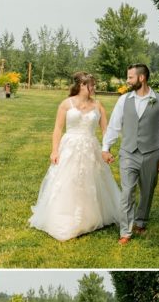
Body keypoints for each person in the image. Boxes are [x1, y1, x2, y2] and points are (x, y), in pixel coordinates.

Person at [29, 72, 121, 241]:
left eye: (94, 85)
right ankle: (64, 215)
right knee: (67, 180)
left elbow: (106, 131)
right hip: (69, 146)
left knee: (90, 180)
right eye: (91, 85)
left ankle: (89, 216)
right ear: (81, 85)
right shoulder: (66, 104)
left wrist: (106, 150)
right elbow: (57, 129)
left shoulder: (98, 106)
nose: (94, 88)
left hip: (90, 146)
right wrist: (55, 151)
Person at [102, 63, 159, 244]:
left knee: (147, 191)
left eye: (130, 77)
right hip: (128, 153)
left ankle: (140, 221)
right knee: (127, 193)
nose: (127, 80)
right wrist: (106, 147)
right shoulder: (124, 100)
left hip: (151, 153)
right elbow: (114, 126)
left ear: (142, 78)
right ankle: (125, 231)